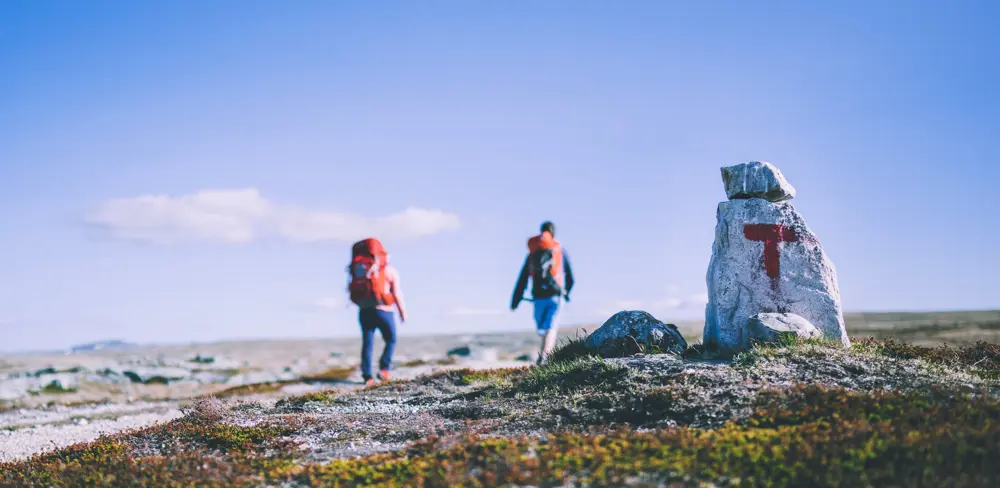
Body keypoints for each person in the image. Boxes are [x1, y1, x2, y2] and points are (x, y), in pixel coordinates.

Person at [510, 221, 575, 365]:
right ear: (554, 233)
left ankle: (543, 355)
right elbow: (571, 277)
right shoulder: (560, 251)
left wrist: (515, 301)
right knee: (550, 328)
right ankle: (544, 355)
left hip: (538, 297)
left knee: (542, 328)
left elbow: (522, 279)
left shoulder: (532, 254)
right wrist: (566, 292)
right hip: (555, 296)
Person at [347, 238, 407, 386]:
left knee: (367, 343)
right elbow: (396, 293)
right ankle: (384, 369)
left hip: (364, 311)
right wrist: (402, 312)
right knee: (391, 339)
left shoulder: (359, 269)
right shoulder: (389, 271)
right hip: (383, 311)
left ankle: (368, 377)